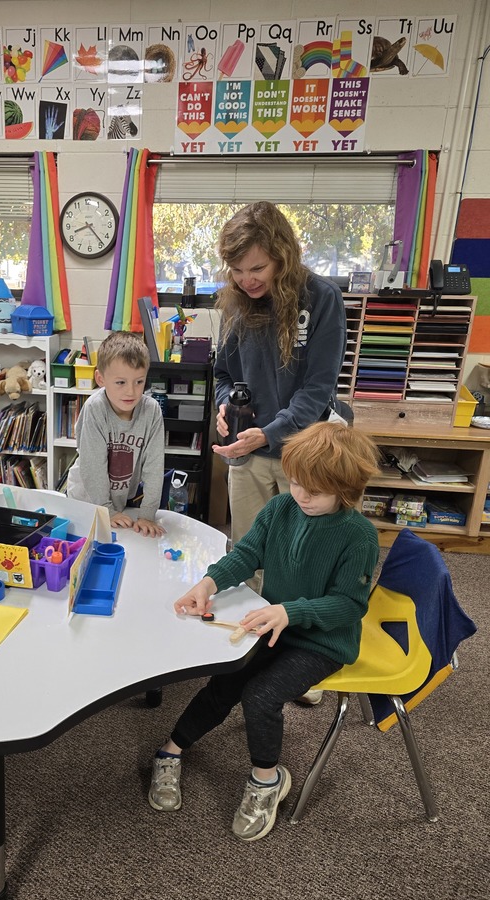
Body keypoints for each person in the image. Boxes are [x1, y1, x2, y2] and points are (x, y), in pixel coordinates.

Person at [147, 421, 380, 842]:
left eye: (316, 490)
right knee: (225, 678)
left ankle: (267, 780)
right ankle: (171, 749)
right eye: (295, 483)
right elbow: (248, 553)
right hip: (277, 621)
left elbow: (349, 606)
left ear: (346, 490)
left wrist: (290, 612)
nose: (302, 496)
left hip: (322, 641)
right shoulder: (281, 509)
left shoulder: (359, 535)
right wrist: (208, 582)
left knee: (261, 696)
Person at [212, 201, 348, 547]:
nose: (247, 280)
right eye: (237, 270)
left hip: (301, 452)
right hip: (248, 452)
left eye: (257, 268)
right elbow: (224, 376)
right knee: (247, 549)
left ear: (282, 256)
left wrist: (271, 433)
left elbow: (318, 386)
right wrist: (226, 406)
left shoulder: (321, 297)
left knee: (300, 553)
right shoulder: (235, 302)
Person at [66, 331, 166, 538]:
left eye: (139, 382)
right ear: (100, 379)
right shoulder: (95, 408)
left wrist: (147, 513)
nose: (131, 391)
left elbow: (155, 466)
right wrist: (106, 509)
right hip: (86, 499)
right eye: (121, 382)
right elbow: (93, 466)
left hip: (119, 499)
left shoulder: (152, 410)